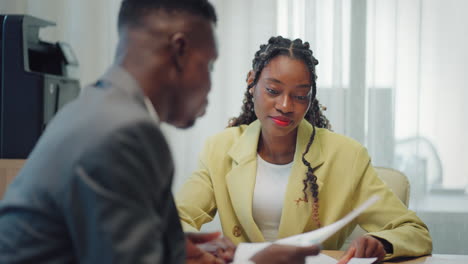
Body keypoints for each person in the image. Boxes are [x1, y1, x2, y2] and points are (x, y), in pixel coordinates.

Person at [0, 1, 321, 264]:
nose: (210, 85)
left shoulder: (97, 109)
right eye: (208, 66)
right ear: (179, 51)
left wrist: (174, 249)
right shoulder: (124, 132)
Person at [176, 36, 433, 262]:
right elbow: (174, 220)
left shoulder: (346, 156)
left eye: (300, 96)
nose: (285, 105)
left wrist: (382, 242)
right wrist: (207, 246)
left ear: (311, 98)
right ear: (252, 82)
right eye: (273, 90)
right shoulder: (219, 149)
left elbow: (414, 230)